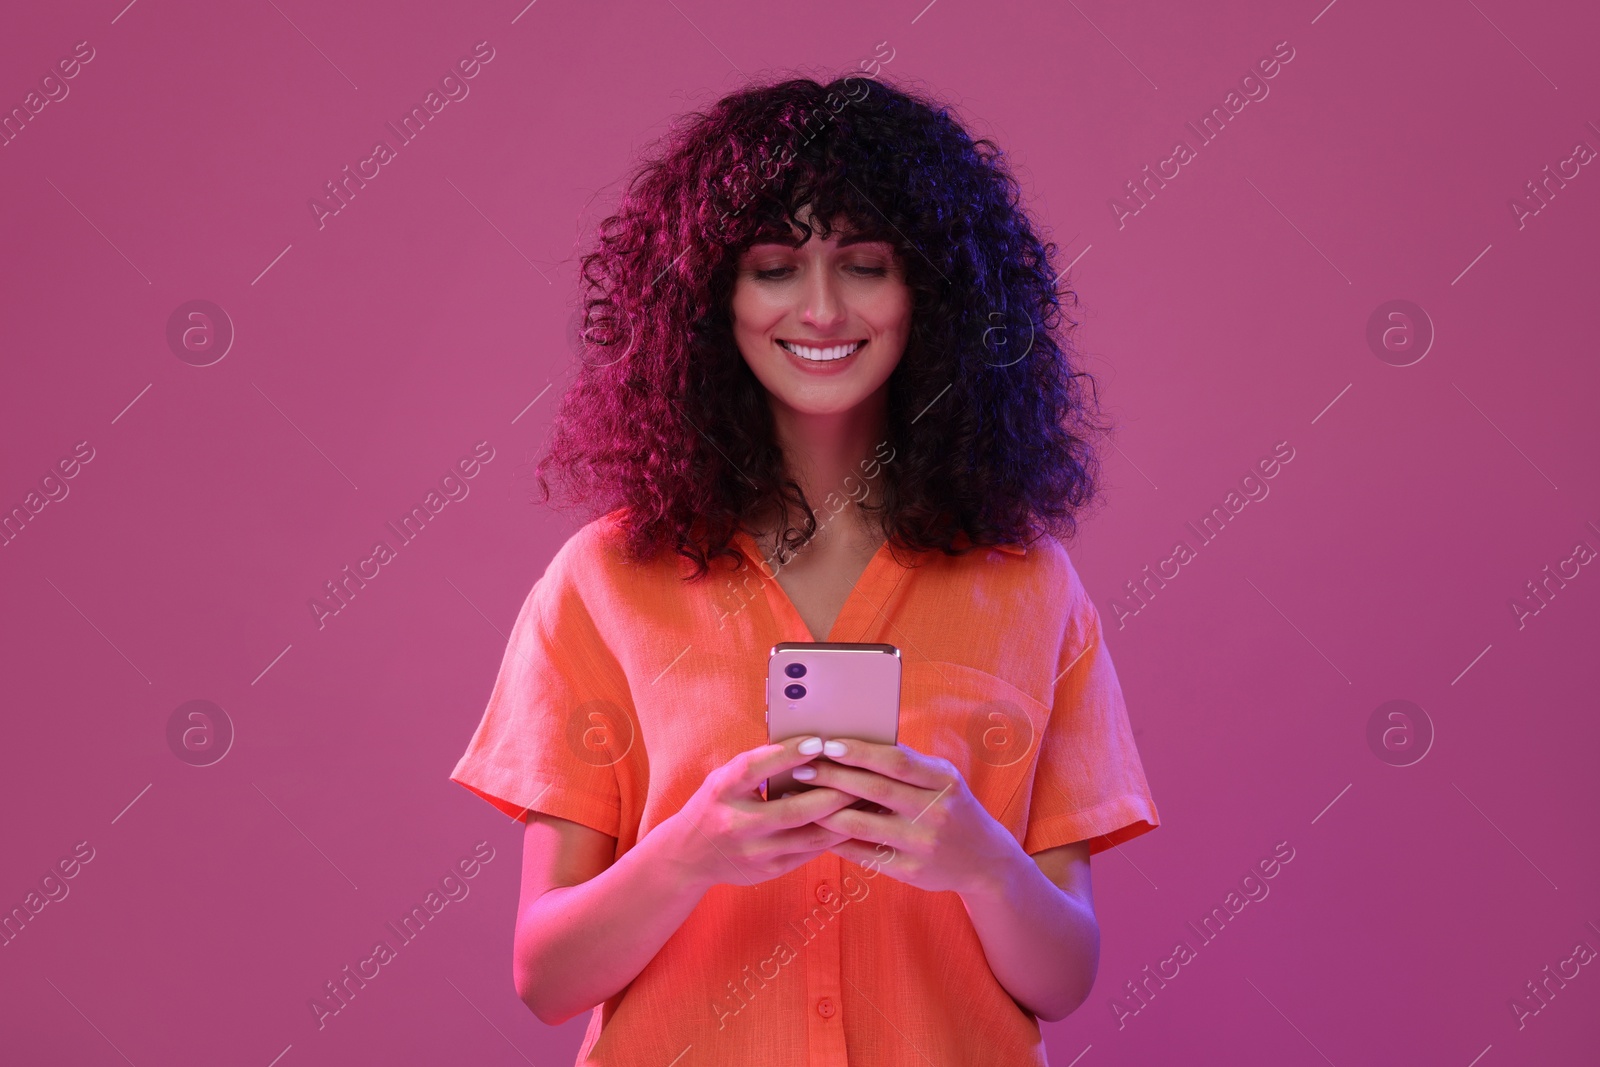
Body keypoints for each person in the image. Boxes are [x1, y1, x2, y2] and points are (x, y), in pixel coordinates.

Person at [450, 72, 1159, 1066]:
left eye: (865, 263)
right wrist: (690, 849)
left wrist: (980, 859)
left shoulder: (1029, 586)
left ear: (931, 295)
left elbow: (1064, 978)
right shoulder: (602, 581)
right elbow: (546, 975)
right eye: (775, 266)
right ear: (709, 296)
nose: (821, 309)